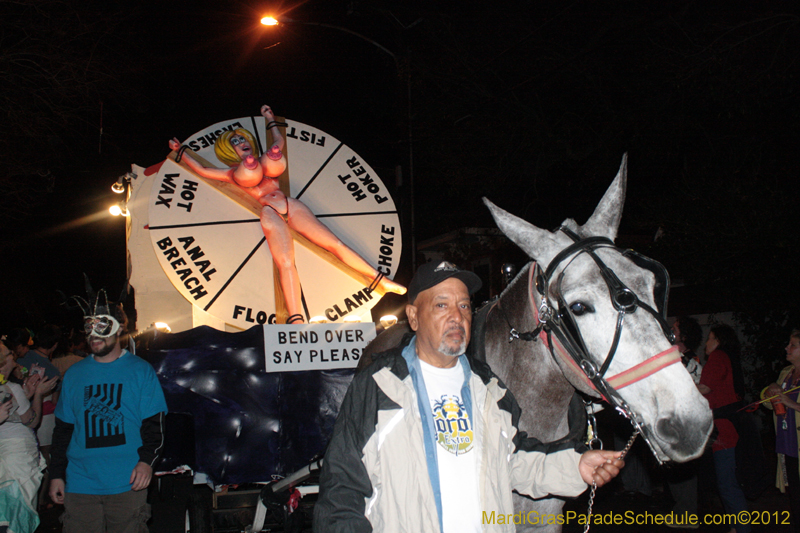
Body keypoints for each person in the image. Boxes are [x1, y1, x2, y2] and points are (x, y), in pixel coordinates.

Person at [314, 260, 624, 532]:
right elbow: (342, 489)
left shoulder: (489, 389)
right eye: (441, 304)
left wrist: (576, 466)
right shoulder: (379, 385)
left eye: (464, 305)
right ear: (413, 316)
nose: (457, 315)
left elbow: (513, 460)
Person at [168, 104, 405, 324]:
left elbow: (279, 141)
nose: (241, 142)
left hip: (289, 204)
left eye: (242, 138)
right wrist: (181, 153)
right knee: (286, 263)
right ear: (229, 150)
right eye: (235, 141)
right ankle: (296, 319)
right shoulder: (231, 174)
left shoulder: (264, 158)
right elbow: (203, 170)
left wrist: (270, 118)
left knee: (335, 243)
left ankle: (380, 280)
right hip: (269, 212)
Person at [49, 303, 168, 533]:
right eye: (89, 328)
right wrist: (56, 474)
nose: (94, 335)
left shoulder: (140, 371)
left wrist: (146, 462)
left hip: (127, 482)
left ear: (120, 328)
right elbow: (63, 430)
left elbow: (155, 425)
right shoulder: (74, 374)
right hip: (80, 482)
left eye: (102, 326)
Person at [0, 338, 59, 533]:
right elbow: (32, 421)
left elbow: (13, 414)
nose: (14, 356)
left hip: (8, 456)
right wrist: (39, 395)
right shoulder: (11, 388)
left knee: (9, 512)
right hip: (17, 457)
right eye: (9, 354)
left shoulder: (9, 388)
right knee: (20, 513)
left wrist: (26, 395)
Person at [698, 324, 750, 533]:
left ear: (718, 340)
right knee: (728, 483)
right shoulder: (728, 358)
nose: (706, 343)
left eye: (710, 338)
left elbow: (704, 388)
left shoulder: (718, 357)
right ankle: (736, 528)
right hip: (729, 428)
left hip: (725, 432)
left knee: (728, 485)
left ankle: (742, 528)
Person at [666, 316, 704, 526]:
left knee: (683, 470)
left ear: (684, 336)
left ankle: (688, 515)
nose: (670, 331)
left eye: (675, 329)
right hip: (672, 423)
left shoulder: (690, 362)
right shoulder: (675, 357)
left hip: (684, 424)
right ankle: (681, 510)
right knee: (674, 470)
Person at [761, 328, 800, 532]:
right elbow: (767, 402)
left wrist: (792, 405)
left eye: (793, 345)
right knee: (795, 499)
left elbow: (790, 403)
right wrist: (770, 388)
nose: (787, 347)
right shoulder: (786, 373)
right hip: (788, 445)